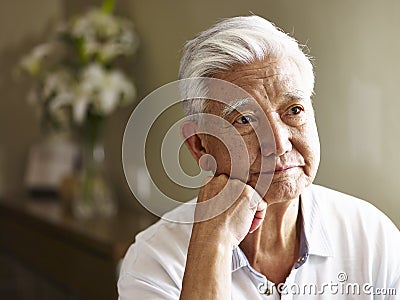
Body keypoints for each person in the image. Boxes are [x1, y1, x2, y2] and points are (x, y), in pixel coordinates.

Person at [118, 15, 400, 299]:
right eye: (243, 120)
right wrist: (212, 245)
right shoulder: (154, 262)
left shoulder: (372, 235)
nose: (278, 144)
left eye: (294, 110)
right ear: (199, 146)